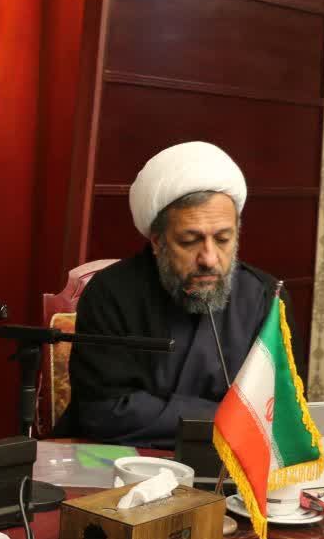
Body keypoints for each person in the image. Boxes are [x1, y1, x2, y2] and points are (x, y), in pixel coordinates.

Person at [63, 141, 303, 448]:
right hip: (123, 460)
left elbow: (280, 408)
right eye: (190, 241)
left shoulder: (265, 297)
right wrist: (227, 419)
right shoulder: (111, 293)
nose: (209, 259)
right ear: (157, 242)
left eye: (223, 239)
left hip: (228, 462)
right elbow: (106, 411)